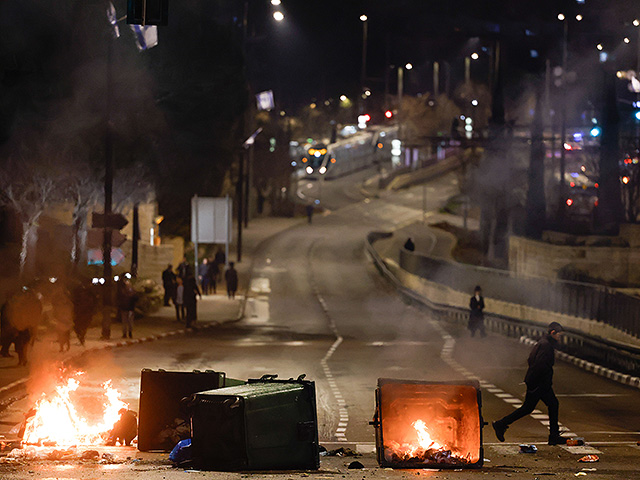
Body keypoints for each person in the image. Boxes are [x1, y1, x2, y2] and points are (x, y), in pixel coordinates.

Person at [492, 322, 568, 446]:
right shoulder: (546, 346)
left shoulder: (542, 343)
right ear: (553, 333)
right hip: (539, 383)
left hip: (537, 382)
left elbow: (530, 359)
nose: (559, 338)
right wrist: (538, 384)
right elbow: (540, 365)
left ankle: (501, 424)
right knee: (546, 405)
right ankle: (501, 424)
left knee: (536, 407)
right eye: (559, 335)